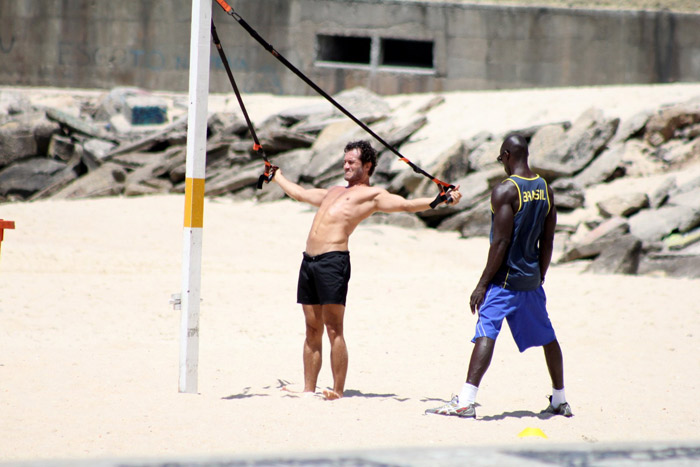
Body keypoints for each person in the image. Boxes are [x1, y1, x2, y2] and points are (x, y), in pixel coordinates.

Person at [272, 139, 461, 400]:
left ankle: (337, 391)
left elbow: (405, 205)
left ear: (367, 166)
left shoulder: (372, 196)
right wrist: (277, 175)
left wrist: (438, 200)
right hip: (309, 262)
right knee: (311, 329)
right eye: (345, 161)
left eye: (352, 162)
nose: (346, 165)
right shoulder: (333, 191)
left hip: (332, 261)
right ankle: (308, 389)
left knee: (333, 328)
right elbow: (300, 194)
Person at [426, 134, 572, 419]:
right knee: (548, 337)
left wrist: (481, 285)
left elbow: (501, 243)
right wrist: (539, 276)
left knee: (486, 331)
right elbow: (549, 240)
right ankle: (560, 399)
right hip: (531, 280)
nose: (501, 164)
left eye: (500, 159)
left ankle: (466, 401)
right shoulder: (546, 189)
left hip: (505, 281)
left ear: (507, 155)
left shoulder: (506, 190)